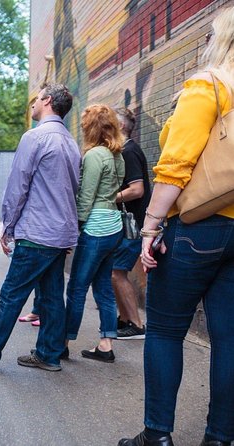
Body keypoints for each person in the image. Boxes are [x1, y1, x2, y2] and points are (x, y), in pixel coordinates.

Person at [120, 8, 234, 446]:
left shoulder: (208, 86)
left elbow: (174, 167)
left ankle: (157, 436)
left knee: (166, 330)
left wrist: (150, 228)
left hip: (195, 228)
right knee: (229, 340)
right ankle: (220, 438)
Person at [0, 83, 81, 373]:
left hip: (37, 233)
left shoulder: (35, 137)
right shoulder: (71, 142)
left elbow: (17, 186)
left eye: (36, 98)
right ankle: (48, 354)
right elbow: (73, 190)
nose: (32, 103)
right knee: (51, 296)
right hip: (59, 233)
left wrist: (7, 227)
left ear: (46, 101)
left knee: (12, 296)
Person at [64, 104, 124, 363]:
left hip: (95, 227)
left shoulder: (94, 156)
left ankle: (61, 343)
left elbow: (86, 197)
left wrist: (73, 227)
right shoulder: (117, 155)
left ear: (91, 127)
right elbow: (116, 189)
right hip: (114, 224)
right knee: (104, 288)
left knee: (77, 288)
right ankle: (106, 345)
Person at [112, 108, 151, 340]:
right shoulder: (123, 150)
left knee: (117, 273)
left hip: (133, 225)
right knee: (114, 273)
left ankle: (136, 325)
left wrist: (109, 198)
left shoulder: (129, 151)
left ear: (121, 127)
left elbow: (137, 190)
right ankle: (125, 319)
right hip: (128, 225)